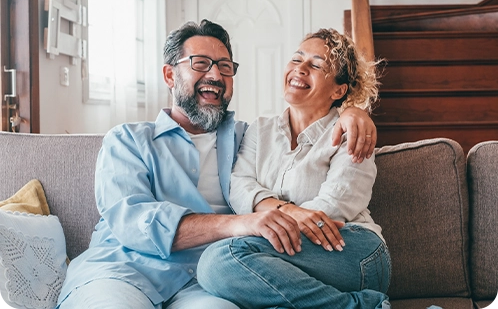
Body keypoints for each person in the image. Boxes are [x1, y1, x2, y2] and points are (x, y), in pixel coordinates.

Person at [57, 19, 378, 309]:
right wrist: (241, 224)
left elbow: (312, 133)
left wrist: (353, 112)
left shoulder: (245, 137)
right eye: (201, 64)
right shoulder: (127, 141)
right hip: (122, 273)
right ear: (169, 74)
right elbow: (133, 221)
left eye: (225, 67)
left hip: (202, 283)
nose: (215, 75)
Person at [196, 28, 391, 309]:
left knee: (219, 260)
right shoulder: (260, 130)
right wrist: (286, 211)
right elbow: (239, 186)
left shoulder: (352, 131)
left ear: (339, 90)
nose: (300, 69)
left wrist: (273, 217)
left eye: (315, 65)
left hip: (351, 249)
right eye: (297, 59)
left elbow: (333, 206)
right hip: (290, 257)